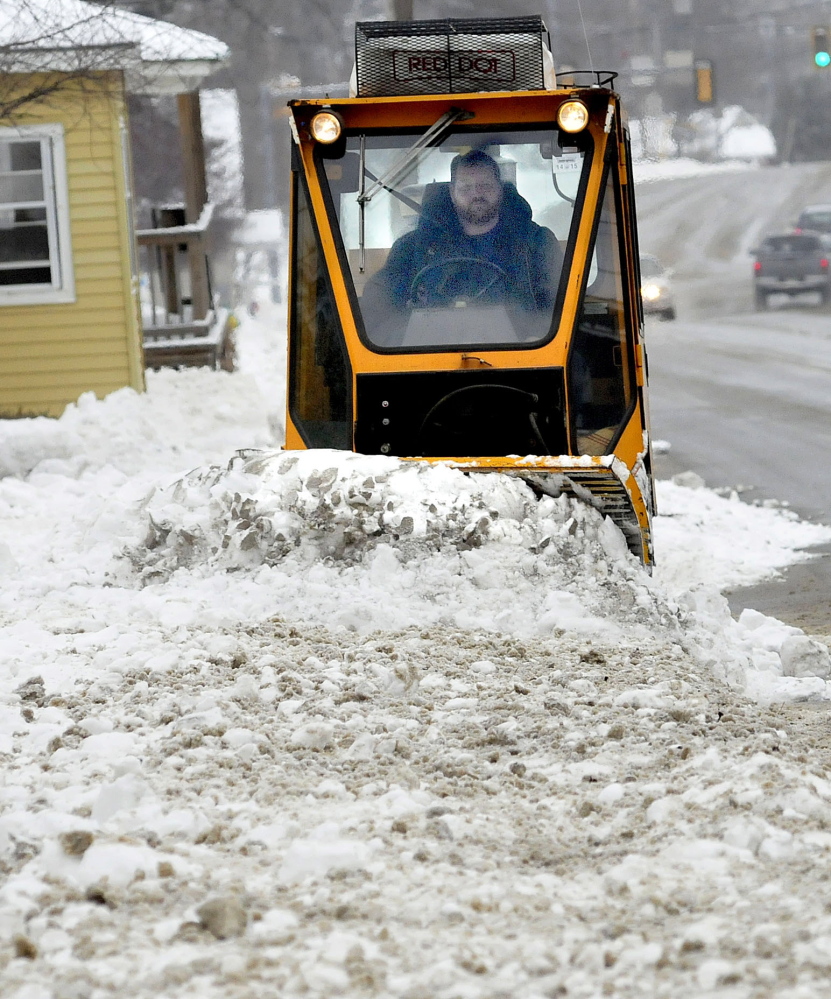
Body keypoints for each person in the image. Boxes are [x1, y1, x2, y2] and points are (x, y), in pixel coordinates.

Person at [361, 149, 563, 346]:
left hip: (521, 358)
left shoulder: (536, 243)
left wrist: (541, 337)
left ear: (500, 188)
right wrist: (400, 342)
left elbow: (560, 301)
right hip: (427, 362)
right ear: (451, 192)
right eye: (466, 188)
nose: (476, 194)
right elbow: (379, 307)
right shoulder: (411, 249)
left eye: (485, 186)